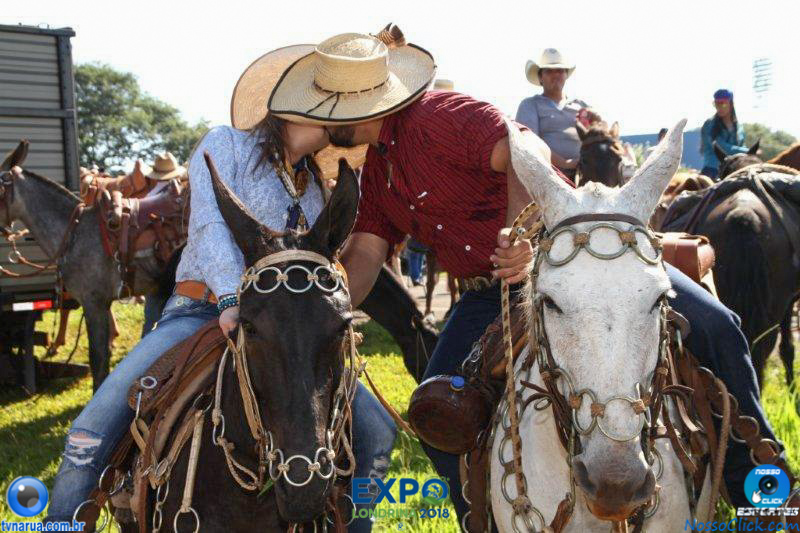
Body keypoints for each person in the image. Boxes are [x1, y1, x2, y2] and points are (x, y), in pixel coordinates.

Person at [267, 27, 789, 521]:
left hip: (568, 262)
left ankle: (762, 493)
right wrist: (322, 311)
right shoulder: (379, 172)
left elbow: (528, 153)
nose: (326, 119)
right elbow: (364, 252)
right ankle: (487, 513)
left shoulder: (442, 116)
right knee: (436, 414)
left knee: (716, 328)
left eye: (329, 106)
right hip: (482, 295)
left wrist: (518, 232)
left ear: (358, 105)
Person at [44, 44, 396, 533]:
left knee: (378, 431)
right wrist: (232, 299)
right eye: (344, 106)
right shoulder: (224, 143)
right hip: (201, 310)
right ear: (309, 105)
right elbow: (209, 227)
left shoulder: (314, 188)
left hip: (282, 329)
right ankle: (58, 525)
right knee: (88, 437)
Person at [515, 48, 597, 179]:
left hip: (585, 175)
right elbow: (530, 144)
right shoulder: (530, 105)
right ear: (540, 77)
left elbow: (598, 138)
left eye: (560, 70)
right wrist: (566, 163)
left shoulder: (582, 106)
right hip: (547, 176)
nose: (556, 75)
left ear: (565, 75)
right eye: (549, 71)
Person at [700, 89, 747, 180]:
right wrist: (748, 152)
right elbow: (720, 146)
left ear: (731, 104)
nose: (720, 107)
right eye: (716, 104)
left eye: (723, 103)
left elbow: (742, 146)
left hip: (733, 171)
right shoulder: (709, 124)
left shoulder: (739, 128)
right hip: (712, 171)